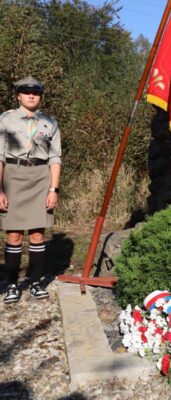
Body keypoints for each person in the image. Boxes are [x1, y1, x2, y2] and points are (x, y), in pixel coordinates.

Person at [0, 76, 61, 304]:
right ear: (18, 95)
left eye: (35, 92)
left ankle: (35, 282)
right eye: (26, 91)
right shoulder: (5, 120)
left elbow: (55, 157)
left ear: (40, 95)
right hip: (13, 178)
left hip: (40, 178)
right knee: (13, 234)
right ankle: (12, 285)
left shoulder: (50, 123)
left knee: (37, 234)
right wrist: (0, 190)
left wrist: (53, 189)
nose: (31, 95)